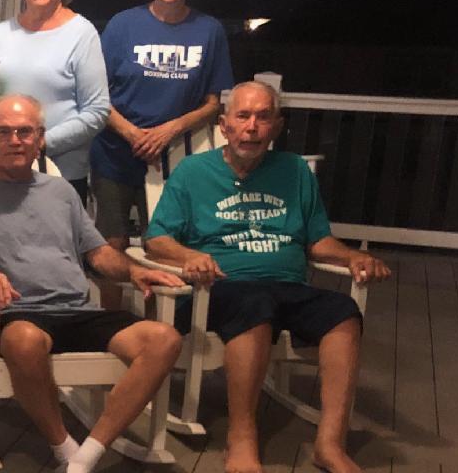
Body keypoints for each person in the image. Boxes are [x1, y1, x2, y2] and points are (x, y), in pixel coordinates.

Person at [143, 81, 391, 473]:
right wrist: (190, 255)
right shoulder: (193, 173)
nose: (252, 126)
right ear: (224, 125)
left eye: (263, 117)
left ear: (276, 126)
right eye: (243, 116)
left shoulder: (294, 171)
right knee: (254, 305)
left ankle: (330, 443)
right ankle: (242, 438)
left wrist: (353, 256)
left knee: (342, 310)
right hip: (220, 288)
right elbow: (156, 238)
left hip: (288, 286)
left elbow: (319, 240)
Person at [0, 94, 183, 473]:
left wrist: (135, 270)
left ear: (40, 139)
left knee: (164, 339)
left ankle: (86, 456)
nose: (15, 140)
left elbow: (98, 253)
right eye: (3, 132)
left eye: (25, 132)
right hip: (14, 313)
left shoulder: (61, 192)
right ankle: (64, 446)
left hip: (76, 310)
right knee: (24, 340)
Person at [92, 0, 233, 250]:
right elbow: (96, 95)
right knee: (110, 244)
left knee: (164, 245)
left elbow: (215, 103)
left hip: (175, 158)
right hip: (114, 154)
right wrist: (135, 135)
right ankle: (113, 304)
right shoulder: (122, 25)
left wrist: (168, 131)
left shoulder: (209, 30)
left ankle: (161, 303)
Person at [0, 0, 107, 205]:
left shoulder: (82, 34)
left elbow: (97, 111)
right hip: (5, 171)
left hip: (62, 173)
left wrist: (40, 144)